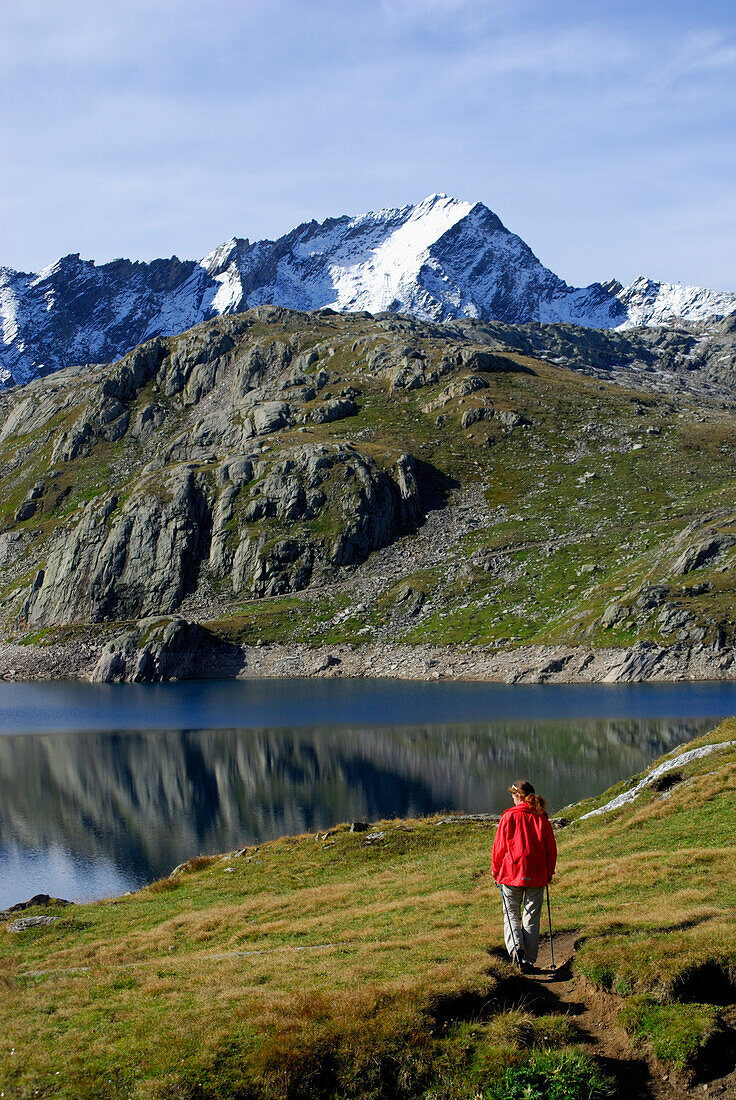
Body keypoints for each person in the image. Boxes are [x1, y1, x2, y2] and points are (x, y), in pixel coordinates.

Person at [491, 780, 557, 972]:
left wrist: (496, 871)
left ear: (518, 796)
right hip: (536, 874)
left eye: (513, 795)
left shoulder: (508, 817)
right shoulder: (541, 818)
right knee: (531, 916)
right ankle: (528, 960)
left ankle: (515, 948)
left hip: (511, 873)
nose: (512, 799)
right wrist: (549, 872)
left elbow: (499, 849)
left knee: (511, 912)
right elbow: (550, 850)